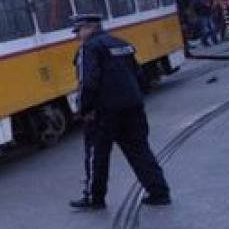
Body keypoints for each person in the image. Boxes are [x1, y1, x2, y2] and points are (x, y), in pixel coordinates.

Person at [67, 14, 171, 210]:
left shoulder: (88, 49)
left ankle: (94, 198)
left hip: (104, 111)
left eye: (78, 31)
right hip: (133, 107)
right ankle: (159, 192)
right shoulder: (122, 44)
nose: (77, 36)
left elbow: (87, 83)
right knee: (139, 150)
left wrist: (83, 109)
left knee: (96, 154)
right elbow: (139, 75)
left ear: (89, 28)